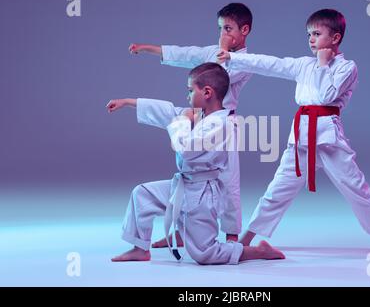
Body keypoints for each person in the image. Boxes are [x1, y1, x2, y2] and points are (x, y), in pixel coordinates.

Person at [217, 9, 370, 260]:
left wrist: (321, 64)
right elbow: (269, 63)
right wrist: (233, 57)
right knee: (276, 191)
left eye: (317, 34)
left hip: (329, 140)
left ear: (336, 38)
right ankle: (246, 239)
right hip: (300, 139)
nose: (311, 39)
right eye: (309, 34)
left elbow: (326, 96)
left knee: (358, 190)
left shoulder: (347, 67)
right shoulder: (303, 64)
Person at [108, 62, 285, 264]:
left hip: (203, 196)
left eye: (191, 91)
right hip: (183, 186)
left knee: (204, 254)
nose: (187, 96)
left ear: (207, 92)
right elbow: (168, 112)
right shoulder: (200, 115)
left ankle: (257, 251)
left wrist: (183, 120)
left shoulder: (222, 124)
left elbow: (187, 148)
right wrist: (129, 102)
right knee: (142, 194)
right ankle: (140, 249)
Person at [128, 3, 254, 247]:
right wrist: (150, 49)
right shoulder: (212, 50)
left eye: (228, 28)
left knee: (229, 180)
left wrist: (223, 49)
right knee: (190, 175)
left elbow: (220, 77)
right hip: (200, 117)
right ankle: (183, 230)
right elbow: (186, 53)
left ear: (245, 30)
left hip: (224, 123)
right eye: (220, 28)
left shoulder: (246, 61)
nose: (222, 34)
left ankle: (231, 235)